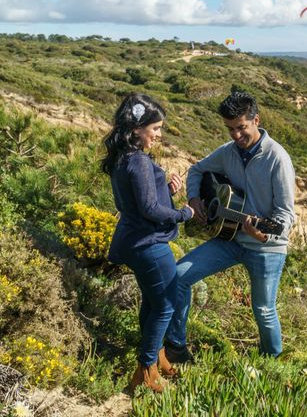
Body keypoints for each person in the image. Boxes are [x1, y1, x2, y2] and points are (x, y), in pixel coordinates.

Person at [164, 90, 296, 361]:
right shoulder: (228, 152)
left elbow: (286, 217)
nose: (235, 136)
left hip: (265, 249)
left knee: (264, 310)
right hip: (229, 239)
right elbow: (198, 169)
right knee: (178, 277)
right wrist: (195, 198)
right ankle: (176, 347)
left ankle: (272, 361)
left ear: (256, 120)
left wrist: (264, 231)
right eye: (230, 129)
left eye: (241, 128)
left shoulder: (277, 159)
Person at [102, 93, 194, 393]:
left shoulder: (122, 157)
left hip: (135, 240)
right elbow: (150, 210)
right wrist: (184, 213)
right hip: (148, 244)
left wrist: (166, 188)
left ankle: (158, 358)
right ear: (138, 128)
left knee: (154, 303)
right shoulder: (139, 160)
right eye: (155, 128)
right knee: (166, 305)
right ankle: (145, 368)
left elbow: (142, 200)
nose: (159, 134)